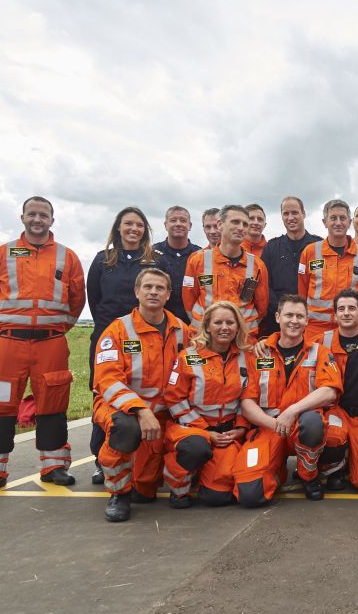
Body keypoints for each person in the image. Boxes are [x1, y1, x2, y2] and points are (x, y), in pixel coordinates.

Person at [0, 196, 86, 494]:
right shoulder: (1, 254)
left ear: (52, 219)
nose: (38, 219)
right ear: (22, 217)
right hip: (8, 344)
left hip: (51, 344)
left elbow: (77, 299)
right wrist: (0, 327)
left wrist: (59, 328)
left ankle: (54, 466)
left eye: (44, 215)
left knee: (53, 405)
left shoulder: (68, 257)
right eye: (32, 214)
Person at [94, 269, 187, 522]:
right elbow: (108, 381)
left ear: (168, 295)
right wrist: (140, 410)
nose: (153, 292)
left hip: (164, 412)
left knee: (145, 490)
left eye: (160, 288)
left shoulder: (182, 331)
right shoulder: (117, 331)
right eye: (148, 287)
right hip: (121, 408)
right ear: (137, 292)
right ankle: (118, 494)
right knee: (125, 429)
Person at [87, 206, 170, 485]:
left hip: (149, 332)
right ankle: (101, 459)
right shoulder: (103, 260)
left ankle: (147, 458)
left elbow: (161, 290)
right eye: (128, 224)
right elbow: (93, 297)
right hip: (112, 334)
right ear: (118, 228)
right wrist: (115, 327)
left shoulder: (155, 260)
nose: (133, 229)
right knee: (106, 395)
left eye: (139, 225)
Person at [234, 294, 342, 504]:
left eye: (299, 316)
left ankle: (307, 476)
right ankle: (276, 470)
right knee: (249, 495)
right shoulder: (258, 354)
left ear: (307, 321)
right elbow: (247, 404)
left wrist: (292, 411)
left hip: (300, 426)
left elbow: (330, 391)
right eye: (288, 315)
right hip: (268, 428)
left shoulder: (319, 352)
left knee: (313, 423)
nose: (294, 320)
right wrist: (275, 424)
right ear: (277, 317)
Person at [162, 301, 252, 508]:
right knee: (197, 448)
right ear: (207, 327)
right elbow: (174, 399)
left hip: (227, 435)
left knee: (216, 498)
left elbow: (247, 398)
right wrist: (204, 430)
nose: (224, 327)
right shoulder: (188, 357)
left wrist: (240, 428)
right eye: (218, 322)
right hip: (192, 431)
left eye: (230, 322)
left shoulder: (245, 358)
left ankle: (201, 473)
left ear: (238, 327)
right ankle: (179, 487)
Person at [312, 289, 358, 491]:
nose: (346, 313)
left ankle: (354, 459)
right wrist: (266, 341)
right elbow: (291, 343)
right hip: (337, 412)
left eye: (352, 308)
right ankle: (336, 468)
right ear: (335, 315)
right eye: (341, 309)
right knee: (332, 435)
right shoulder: (320, 342)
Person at [183, 205, 269, 336]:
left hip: (243, 338)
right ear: (220, 225)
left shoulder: (258, 265)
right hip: (204, 337)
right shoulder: (197, 260)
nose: (241, 227)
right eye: (235, 222)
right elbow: (188, 300)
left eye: (245, 224)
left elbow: (262, 307)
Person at [299, 199, 358, 344]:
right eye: (333, 218)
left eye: (342, 218)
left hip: (352, 329)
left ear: (349, 222)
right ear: (324, 222)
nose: (338, 222)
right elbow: (302, 290)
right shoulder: (310, 252)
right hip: (316, 330)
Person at [260, 196, 322, 336]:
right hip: (277, 321)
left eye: (294, 212)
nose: (290, 217)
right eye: (286, 213)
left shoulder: (319, 246)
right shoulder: (271, 248)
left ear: (303, 214)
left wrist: (302, 311)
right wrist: (283, 311)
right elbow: (264, 285)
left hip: (311, 320)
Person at [154, 205, 201, 325]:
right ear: (165, 225)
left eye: (183, 220)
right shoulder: (152, 253)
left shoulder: (200, 255)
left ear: (190, 226)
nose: (178, 224)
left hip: (193, 322)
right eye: (173, 220)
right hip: (159, 321)